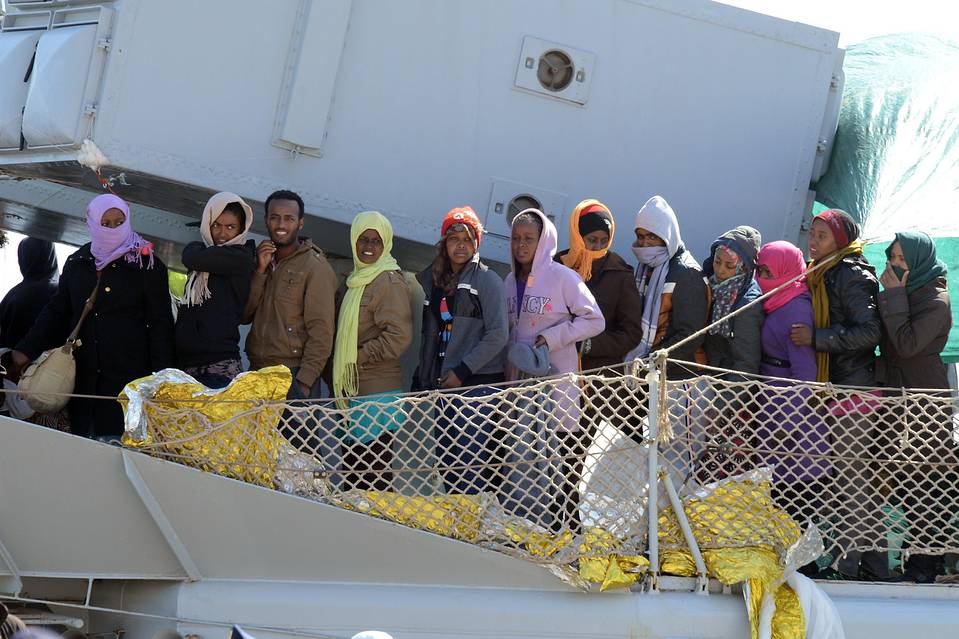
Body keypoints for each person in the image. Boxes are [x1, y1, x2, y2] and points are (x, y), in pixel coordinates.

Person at [10, 194, 175, 440]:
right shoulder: (78, 262)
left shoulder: (148, 266)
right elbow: (57, 312)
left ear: (128, 220)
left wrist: (162, 384)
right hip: (82, 385)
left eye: (118, 222)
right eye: (105, 223)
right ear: (92, 223)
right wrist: (24, 351)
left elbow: (161, 327)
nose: (112, 228)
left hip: (128, 387)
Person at [790, 208, 882, 579]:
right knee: (845, 481)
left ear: (840, 241)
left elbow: (870, 332)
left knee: (853, 482)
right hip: (835, 389)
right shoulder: (823, 272)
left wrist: (817, 339)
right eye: (811, 234)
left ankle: (863, 566)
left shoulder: (850, 275)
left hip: (853, 391)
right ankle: (860, 563)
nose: (813, 242)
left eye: (822, 236)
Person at [503, 208, 604, 531]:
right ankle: (521, 529)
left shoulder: (563, 277)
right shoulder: (508, 281)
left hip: (553, 389)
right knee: (518, 464)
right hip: (519, 392)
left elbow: (594, 320)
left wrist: (552, 337)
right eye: (516, 239)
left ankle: (557, 532)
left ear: (542, 240)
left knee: (555, 468)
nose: (521, 246)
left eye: (528, 239)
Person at [554, 198, 642, 526]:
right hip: (557, 380)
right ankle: (555, 524)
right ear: (578, 236)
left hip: (598, 390)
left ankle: (579, 529)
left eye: (604, 242)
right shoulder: (556, 265)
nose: (598, 248)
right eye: (591, 241)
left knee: (582, 465)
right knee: (556, 460)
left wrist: (589, 344)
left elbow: (630, 333)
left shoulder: (620, 274)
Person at [876, 231, 954, 582]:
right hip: (895, 400)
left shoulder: (936, 301)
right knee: (901, 483)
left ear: (919, 262)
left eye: (902, 260)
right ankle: (910, 558)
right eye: (892, 258)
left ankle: (928, 562)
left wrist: (892, 297)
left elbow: (907, 345)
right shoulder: (906, 295)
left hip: (923, 405)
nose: (894, 265)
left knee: (924, 485)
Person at [415, 206, 508, 494]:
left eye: (467, 239)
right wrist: (423, 377)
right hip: (445, 385)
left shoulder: (487, 280)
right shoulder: (435, 281)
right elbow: (432, 334)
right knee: (446, 459)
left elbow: (498, 334)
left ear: (476, 244)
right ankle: (458, 520)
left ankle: (473, 525)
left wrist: (462, 370)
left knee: (469, 461)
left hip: (476, 385)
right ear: (444, 243)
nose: (460, 245)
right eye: (454, 238)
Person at [332, 211, 412, 491]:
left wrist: (357, 358)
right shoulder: (356, 279)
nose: (368, 246)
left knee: (372, 475)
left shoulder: (388, 280)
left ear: (386, 244)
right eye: (362, 239)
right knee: (354, 472)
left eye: (376, 241)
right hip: (354, 389)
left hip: (376, 392)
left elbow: (399, 336)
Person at [753, 241, 826, 523]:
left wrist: (788, 425)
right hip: (775, 410)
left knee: (793, 509)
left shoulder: (796, 310)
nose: (762, 280)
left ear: (788, 272)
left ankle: (802, 568)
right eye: (760, 272)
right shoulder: (778, 301)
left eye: (769, 273)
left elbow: (806, 375)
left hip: (795, 428)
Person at [242, 189, 337, 402]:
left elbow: (321, 332)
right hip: (257, 372)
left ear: (300, 223)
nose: (281, 225)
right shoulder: (261, 260)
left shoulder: (315, 266)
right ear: (266, 220)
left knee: (295, 437)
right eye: (275, 218)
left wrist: (304, 383)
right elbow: (244, 315)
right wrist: (259, 272)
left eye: (289, 219)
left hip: (294, 375)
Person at [175, 192, 256, 387]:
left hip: (219, 363)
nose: (222, 233)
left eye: (230, 227)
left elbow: (191, 257)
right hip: (187, 363)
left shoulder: (241, 257)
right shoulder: (205, 253)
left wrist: (198, 250)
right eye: (216, 225)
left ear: (241, 229)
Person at [627, 195, 710, 374]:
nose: (645, 243)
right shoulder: (647, 267)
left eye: (652, 236)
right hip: (649, 372)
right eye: (640, 236)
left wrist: (650, 364)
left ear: (667, 235)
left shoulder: (687, 273)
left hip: (676, 377)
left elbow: (689, 335)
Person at [702, 226, 763, 375]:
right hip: (706, 375)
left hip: (727, 385)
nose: (720, 270)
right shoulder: (709, 285)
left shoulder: (748, 304)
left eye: (730, 265)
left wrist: (728, 396)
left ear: (744, 268)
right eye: (717, 261)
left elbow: (746, 363)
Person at [0, 238, 58, 349]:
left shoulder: (15, 293)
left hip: (9, 361)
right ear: (50, 256)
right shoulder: (59, 292)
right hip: (44, 363)